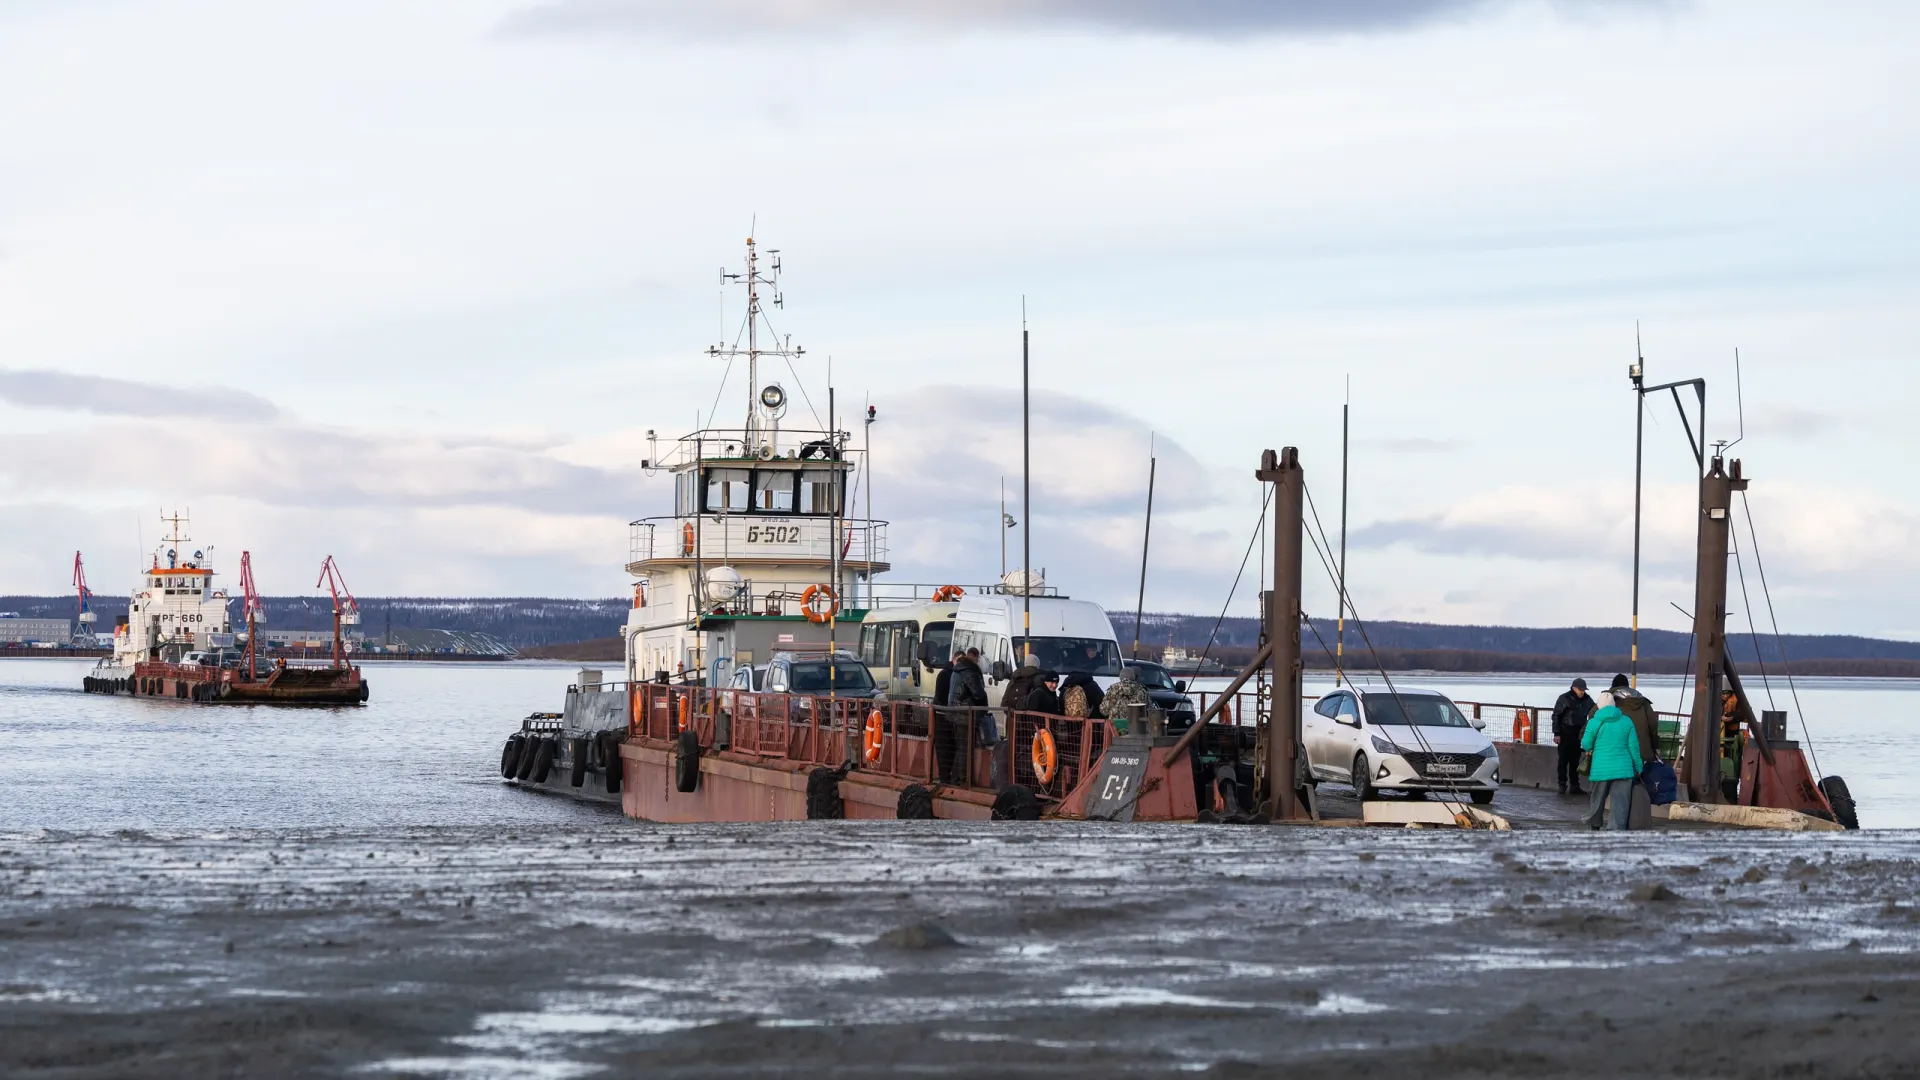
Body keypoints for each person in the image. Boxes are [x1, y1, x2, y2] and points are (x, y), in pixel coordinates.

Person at [1580, 698, 1643, 830]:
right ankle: (1616, 829)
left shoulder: (1594, 722)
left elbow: (1586, 744)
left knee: (1597, 799)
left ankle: (1595, 824)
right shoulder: (1627, 721)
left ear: (1599, 707)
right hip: (1623, 769)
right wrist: (1638, 766)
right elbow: (1634, 748)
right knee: (1620, 803)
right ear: (1614, 706)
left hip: (1601, 769)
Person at [1550, 678, 1595, 796]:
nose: (1582, 692)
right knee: (1563, 761)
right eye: (1581, 690)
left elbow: (1595, 711)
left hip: (1578, 734)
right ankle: (1562, 784)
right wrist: (1557, 733)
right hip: (1565, 733)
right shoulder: (1564, 698)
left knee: (1575, 761)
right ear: (1574, 688)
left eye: (1584, 690)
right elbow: (1556, 716)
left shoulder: (1587, 700)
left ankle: (1575, 785)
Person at [1607, 674, 1657, 764]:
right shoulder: (1642, 702)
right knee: (1640, 774)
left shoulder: (1609, 700)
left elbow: (1593, 719)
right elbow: (1653, 724)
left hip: (1617, 751)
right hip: (1642, 749)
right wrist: (1654, 745)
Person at [931, 650, 965, 783]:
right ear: (954, 660)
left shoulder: (948, 674)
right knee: (946, 750)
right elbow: (940, 696)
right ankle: (946, 780)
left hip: (946, 716)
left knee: (947, 750)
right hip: (944, 717)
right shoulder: (947, 675)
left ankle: (946, 779)